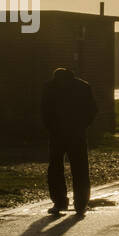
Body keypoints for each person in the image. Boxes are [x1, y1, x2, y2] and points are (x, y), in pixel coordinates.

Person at [41, 66, 98, 217]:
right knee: (80, 168)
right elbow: (92, 109)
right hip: (76, 133)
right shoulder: (83, 87)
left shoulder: (50, 87)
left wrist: (51, 127)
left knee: (55, 168)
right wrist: (83, 125)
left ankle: (59, 201)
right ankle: (80, 203)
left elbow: (44, 110)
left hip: (57, 133)